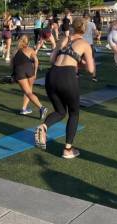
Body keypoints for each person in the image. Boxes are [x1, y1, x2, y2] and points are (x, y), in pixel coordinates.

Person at [35, 17, 95, 159]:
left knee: (60, 111)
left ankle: (44, 126)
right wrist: (81, 61)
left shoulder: (63, 39)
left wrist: (74, 58)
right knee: (74, 113)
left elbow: (52, 59)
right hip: (67, 76)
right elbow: (91, 69)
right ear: (84, 30)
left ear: (73, 27)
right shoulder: (84, 44)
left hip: (51, 76)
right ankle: (68, 149)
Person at [12, 35, 47, 118]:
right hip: (29, 69)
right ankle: (24, 109)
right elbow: (36, 60)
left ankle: (42, 108)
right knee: (29, 91)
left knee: (27, 92)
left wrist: (13, 74)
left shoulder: (15, 51)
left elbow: (12, 64)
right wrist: (35, 72)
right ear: (28, 42)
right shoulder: (30, 50)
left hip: (19, 71)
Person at [83, 12, 98, 81]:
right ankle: (94, 76)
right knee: (92, 60)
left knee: (77, 59)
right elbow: (96, 33)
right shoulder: (92, 24)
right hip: (89, 44)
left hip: (81, 43)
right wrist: (97, 36)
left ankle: (76, 74)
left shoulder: (81, 23)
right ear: (89, 17)